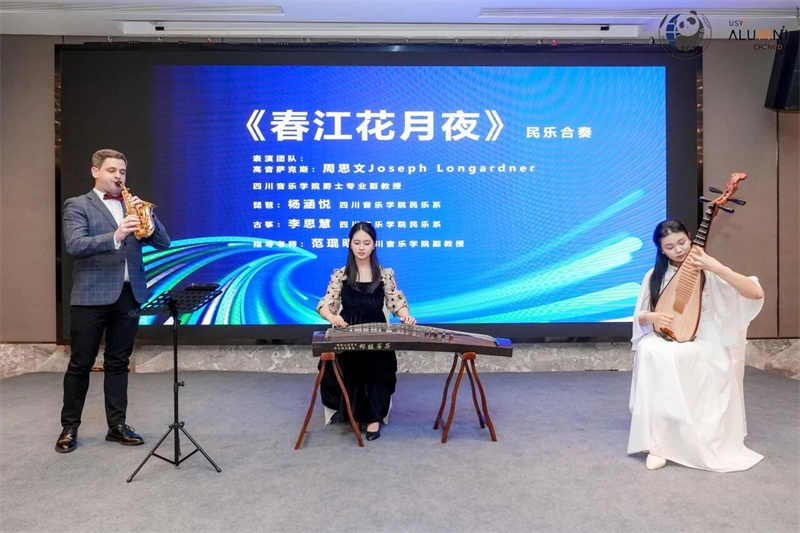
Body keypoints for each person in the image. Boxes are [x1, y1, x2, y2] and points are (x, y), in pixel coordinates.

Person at [56, 149, 171, 453]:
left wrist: (147, 215)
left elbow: (164, 243)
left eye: (122, 171)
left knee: (119, 362)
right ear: (95, 171)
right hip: (90, 296)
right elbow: (75, 245)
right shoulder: (78, 205)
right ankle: (69, 427)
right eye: (112, 170)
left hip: (129, 294)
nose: (118, 176)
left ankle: (117, 426)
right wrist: (116, 235)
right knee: (80, 363)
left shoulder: (132, 205)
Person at [627, 219, 764, 471]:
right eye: (670, 247)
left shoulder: (708, 271)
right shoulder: (655, 276)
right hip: (668, 333)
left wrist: (717, 267)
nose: (678, 250)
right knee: (649, 350)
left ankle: (686, 437)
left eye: (682, 242)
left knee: (683, 355)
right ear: (661, 250)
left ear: (690, 237)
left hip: (705, 336)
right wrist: (653, 317)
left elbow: (755, 293)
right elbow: (641, 317)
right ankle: (658, 442)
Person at [316, 221, 416, 441]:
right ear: (350, 245)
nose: (361, 247)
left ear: (374, 245)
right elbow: (325, 304)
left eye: (366, 243)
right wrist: (332, 316)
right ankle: (353, 413)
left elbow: (396, 301)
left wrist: (404, 315)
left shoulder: (384, 274)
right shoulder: (341, 275)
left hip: (377, 332)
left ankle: (372, 419)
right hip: (349, 333)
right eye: (357, 242)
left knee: (378, 368)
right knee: (351, 367)